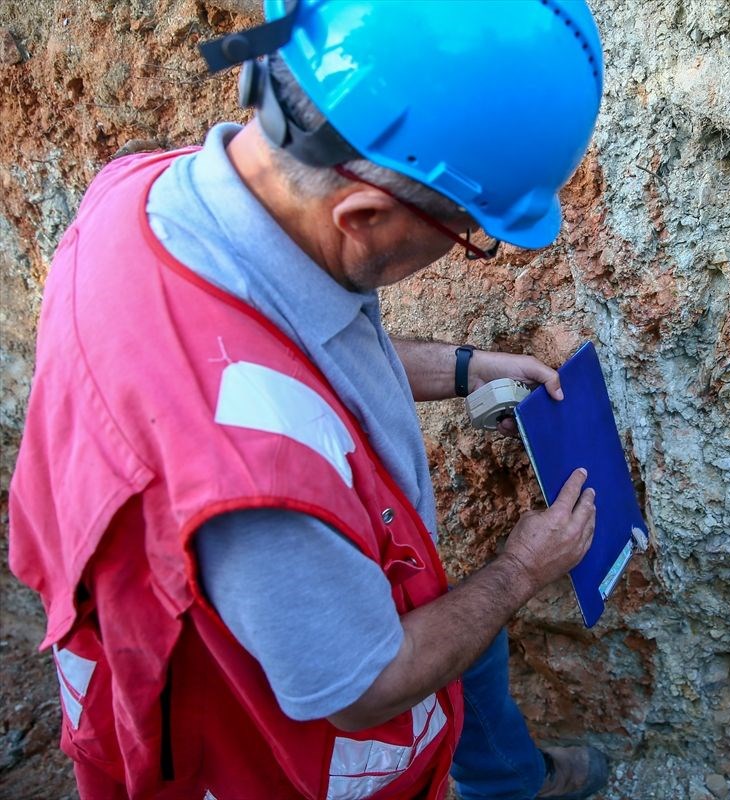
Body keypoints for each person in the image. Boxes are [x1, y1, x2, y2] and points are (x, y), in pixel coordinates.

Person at [7, 2, 610, 798]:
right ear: (362, 215)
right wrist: (520, 571)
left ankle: (507, 779)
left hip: (309, 605)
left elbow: (286, 353)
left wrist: (463, 367)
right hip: (272, 761)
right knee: (471, 615)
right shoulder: (253, 487)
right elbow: (365, 690)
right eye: (470, 234)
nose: (464, 250)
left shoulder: (143, 195)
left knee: (469, 635)